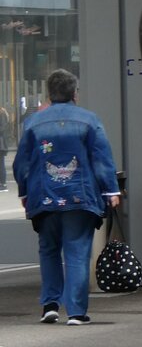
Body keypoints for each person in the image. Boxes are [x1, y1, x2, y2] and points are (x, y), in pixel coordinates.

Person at [14, 69, 120, 326]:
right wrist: (111, 190)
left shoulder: (33, 123)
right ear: (74, 93)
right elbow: (101, 158)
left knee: (48, 249)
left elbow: (22, 164)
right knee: (77, 252)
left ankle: (50, 305)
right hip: (79, 198)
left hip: (43, 196)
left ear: (49, 94)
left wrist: (25, 192)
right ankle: (75, 312)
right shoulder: (89, 120)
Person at [0, 104, 10, 191]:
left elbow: (2, 128)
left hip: (1, 143)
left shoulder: (2, 113)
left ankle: (3, 184)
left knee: (1, 164)